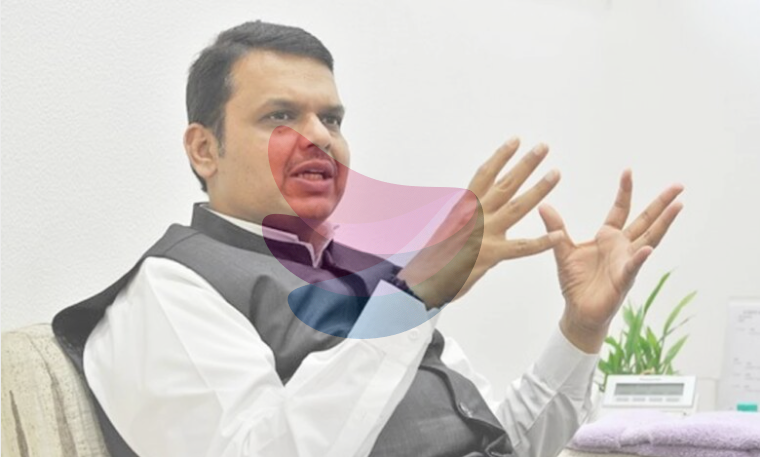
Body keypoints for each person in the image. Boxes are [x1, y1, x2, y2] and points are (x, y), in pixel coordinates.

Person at [52, 21, 684, 457]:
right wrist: (411, 297)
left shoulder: (366, 276)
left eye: (330, 118)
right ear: (204, 148)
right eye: (280, 116)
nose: (319, 137)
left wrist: (581, 330)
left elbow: (504, 440)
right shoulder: (170, 291)